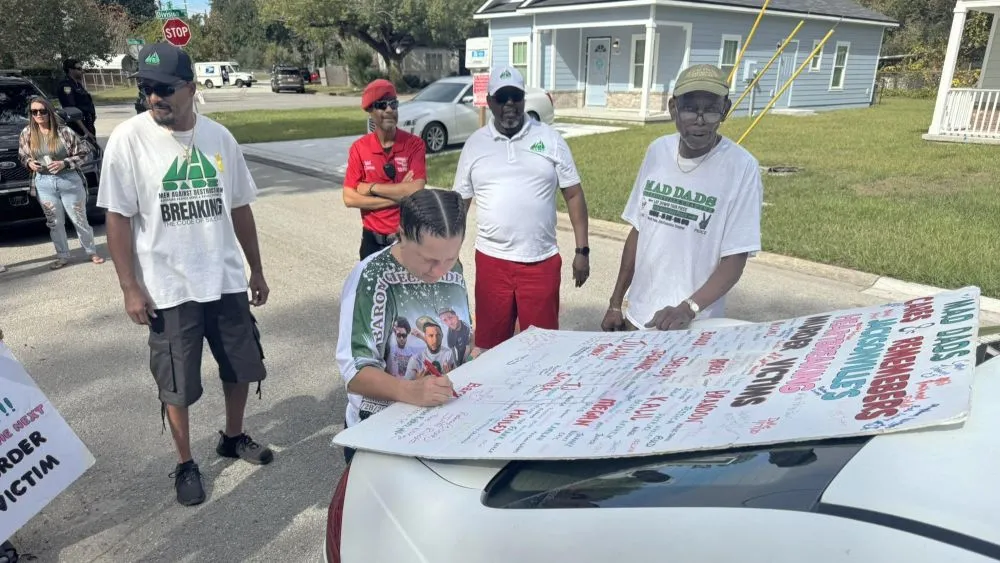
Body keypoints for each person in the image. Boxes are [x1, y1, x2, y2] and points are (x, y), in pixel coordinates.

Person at [97, 42, 274, 507]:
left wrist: (256, 268)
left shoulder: (220, 138)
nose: (155, 97)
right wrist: (129, 286)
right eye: (146, 88)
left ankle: (232, 437)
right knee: (177, 383)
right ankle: (185, 462)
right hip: (169, 289)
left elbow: (239, 206)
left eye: (165, 89)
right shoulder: (128, 140)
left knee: (241, 366)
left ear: (192, 88)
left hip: (225, 280)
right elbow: (116, 217)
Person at [601, 64, 763, 332]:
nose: (700, 120)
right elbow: (638, 231)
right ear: (673, 108)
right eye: (690, 108)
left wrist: (689, 308)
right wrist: (616, 303)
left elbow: (735, 260)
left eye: (711, 109)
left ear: (725, 110)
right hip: (639, 319)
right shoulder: (657, 152)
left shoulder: (742, 167)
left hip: (692, 327)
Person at [452, 65, 590, 352]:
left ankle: (539, 397)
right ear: (490, 102)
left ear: (524, 99)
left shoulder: (550, 139)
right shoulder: (475, 145)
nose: (510, 105)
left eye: (516, 96)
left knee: (542, 348)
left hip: (540, 262)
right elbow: (460, 204)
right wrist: (449, 255)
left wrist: (582, 251)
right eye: (502, 98)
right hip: (492, 262)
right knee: (491, 347)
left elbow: (574, 195)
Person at [336, 189, 475, 464]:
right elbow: (355, 371)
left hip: (445, 423)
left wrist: (474, 352)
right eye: (429, 259)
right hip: (382, 436)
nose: (440, 270)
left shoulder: (451, 267)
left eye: (450, 257)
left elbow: (462, 338)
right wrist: (410, 391)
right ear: (401, 234)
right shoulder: (373, 279)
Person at [343, 79, 427, 260]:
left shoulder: (414, 145)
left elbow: (417, 191)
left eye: (394, 104)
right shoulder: (359, 148)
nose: (389, 110)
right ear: (371, 111)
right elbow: (349, 198)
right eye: (382, 105)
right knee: (371, 289)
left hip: (407, 241)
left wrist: (371, 188)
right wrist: (400, 198)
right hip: (372, 243)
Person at [18, 96, 105, 269]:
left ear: (49, 112)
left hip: (69, 181)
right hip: (44, 183)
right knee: (54, 223)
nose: (38, 115)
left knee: (79, 219)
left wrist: (64, 163)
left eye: (42, 111)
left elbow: (84, 153)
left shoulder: (64, 131)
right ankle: (63, 255)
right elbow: (23, 155)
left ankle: (91, 251)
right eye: (34, 112)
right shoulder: (27, 133)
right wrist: (29, 163)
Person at [56, 59, 97, 139]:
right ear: (70, 70)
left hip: (88, 125)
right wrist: (86, 131)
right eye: (79, 69)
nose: (82, 71)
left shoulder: (77, 84)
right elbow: (71, 110)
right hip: (79, 129)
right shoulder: (66, 86)